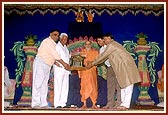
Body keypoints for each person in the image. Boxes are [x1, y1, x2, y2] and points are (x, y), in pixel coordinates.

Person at [86, 33, 141, 110]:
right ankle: (123, 104)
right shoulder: (111, 45)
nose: (104, 41)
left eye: (105, 39)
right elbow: (103, 57)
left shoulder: (112, 45)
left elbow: (103, 56)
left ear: (110, 38)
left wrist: (91, 64)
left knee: (128, 85)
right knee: (123, 84)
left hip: (126, 66)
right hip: (121, 67)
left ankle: (125, 104)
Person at [31, 29, 70, 108]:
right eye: (55, 35)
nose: (56, 36)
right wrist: (64, 64)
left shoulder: (54, 44)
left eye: (57, 35)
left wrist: (55, 62)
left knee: (44, 84)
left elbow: (51, 55)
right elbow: (55, 55)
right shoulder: (47, 41)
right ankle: (35, 103)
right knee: (38, 83)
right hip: (41, 63)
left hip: (47, 65)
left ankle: (43, 103)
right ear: (50, 34)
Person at [96, 36, 121, 109]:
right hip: (109, 68)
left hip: (116, 67)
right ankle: (110, 103)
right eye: (97, 41)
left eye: (100, 40)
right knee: (110, 86)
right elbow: (101, 60)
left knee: (118, 86)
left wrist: (92, 63)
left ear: (104, 40)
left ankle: (118, 103)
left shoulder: (110, 47)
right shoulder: (101, 49)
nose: (98, 42)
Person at [78, 40, 99, 109]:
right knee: (84, 87)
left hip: (92, 72)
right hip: (84, 73)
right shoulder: (81, 53)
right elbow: (78, 64)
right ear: (84, 45)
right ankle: (84, 104)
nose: (87, 45)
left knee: (93, 87)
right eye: (86, 44)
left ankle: (94, 104)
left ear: (91, 45)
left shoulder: (95, 52)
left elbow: (97, 61)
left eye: (89, 44)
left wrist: (91, 62)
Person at [53, 33, 71, 108]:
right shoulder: (57, 46)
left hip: (66, 70)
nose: (64, 40)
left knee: (65, 86)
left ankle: (63, 103)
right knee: (58, 86)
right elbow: (56, 57)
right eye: (63, 38)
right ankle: (57, 104)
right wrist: (64, 65)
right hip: (59, 69)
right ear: (60, 39)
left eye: (66, 39)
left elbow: (69, 57)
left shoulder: (65, 48)